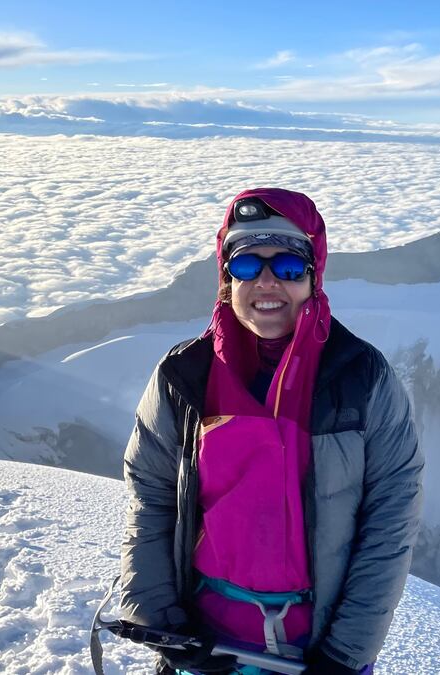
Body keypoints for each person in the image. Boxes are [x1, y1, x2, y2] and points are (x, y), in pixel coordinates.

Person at [118, 188, 423, 675]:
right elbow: (150, 499)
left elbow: (391, 519)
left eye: (287, 267)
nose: (266, 283)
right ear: (225, 278)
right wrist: (163, 623)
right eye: (245, 266)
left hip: (319, 650)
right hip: (203, 645)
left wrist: (345, 653)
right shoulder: (184, 376)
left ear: (313, 277)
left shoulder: (361, 377)